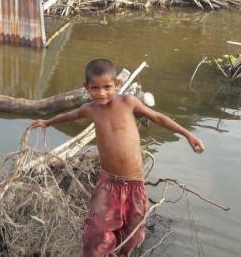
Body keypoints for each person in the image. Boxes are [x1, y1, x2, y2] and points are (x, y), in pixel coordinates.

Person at [31, 59, 205, 256]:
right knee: (96, 233)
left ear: (117, 84)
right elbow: (69, 116)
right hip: (108, 182)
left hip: (134, 184)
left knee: (131, 234)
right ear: (86, 88)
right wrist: (47, 121)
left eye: (107, 87)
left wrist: (188, 134)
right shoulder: (90, 109)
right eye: (95, 88)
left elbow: (158, 117)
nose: (101, 93)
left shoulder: (128, 103)